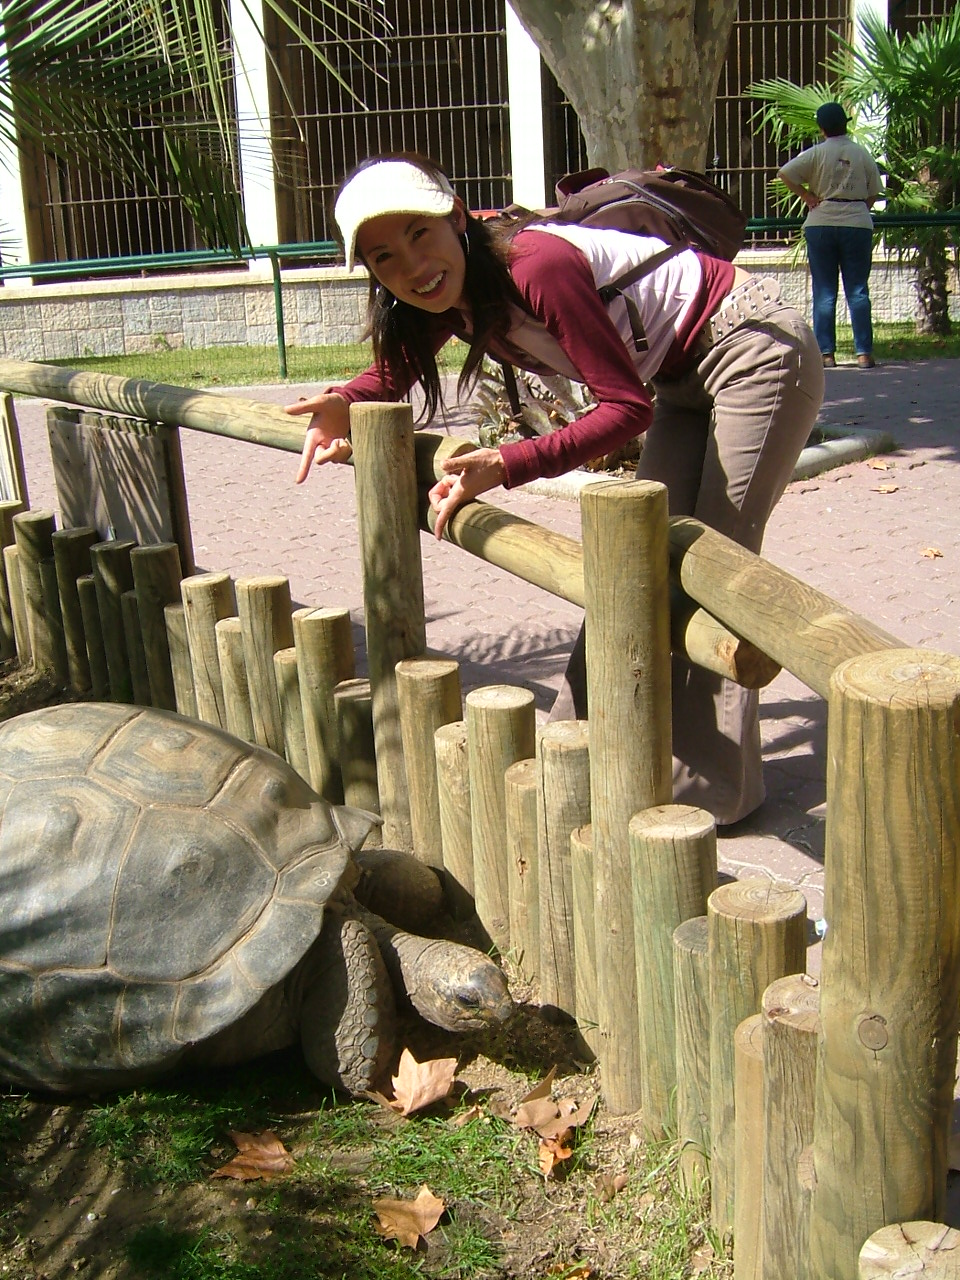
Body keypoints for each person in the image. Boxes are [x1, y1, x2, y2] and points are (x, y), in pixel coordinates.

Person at [287, 154, 824, 825]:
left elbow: (624, 409)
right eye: (384, 256)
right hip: (680, 377)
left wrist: (507, 463)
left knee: (714, 569)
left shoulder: (533, 266)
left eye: (419, 234)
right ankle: (579, 750)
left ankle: (715, 793)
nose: (412, 265)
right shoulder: (449, 292)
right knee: (639, 562)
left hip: (753, 348)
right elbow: (389, 375)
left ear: (457, 218)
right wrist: (340, 403)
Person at [777, 102, 884, 369]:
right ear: (846, 124)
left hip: (821, 222)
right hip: (857, 223)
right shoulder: (861, 153)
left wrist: (807, 196)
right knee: (858, 290)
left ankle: (826, 354)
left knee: (824, 291)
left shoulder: (816, 153)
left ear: (821, 128)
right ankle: (863, 353)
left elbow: (785, 173)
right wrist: (858, 207)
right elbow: (874, 191)